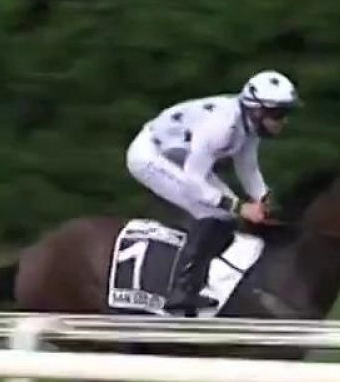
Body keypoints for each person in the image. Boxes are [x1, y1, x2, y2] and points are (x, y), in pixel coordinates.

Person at [124, 70, 298, 313]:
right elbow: (194, 183)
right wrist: (241, 207)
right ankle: (180, 291)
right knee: (214, 212)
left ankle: (194, 283)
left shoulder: (248, 124)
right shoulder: (222, 127)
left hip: (181, 158)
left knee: (224, 216)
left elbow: (247, 165)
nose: (284, 120)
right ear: (257, 110)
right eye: (279, 114)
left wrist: (263, 197)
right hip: (151, 156)